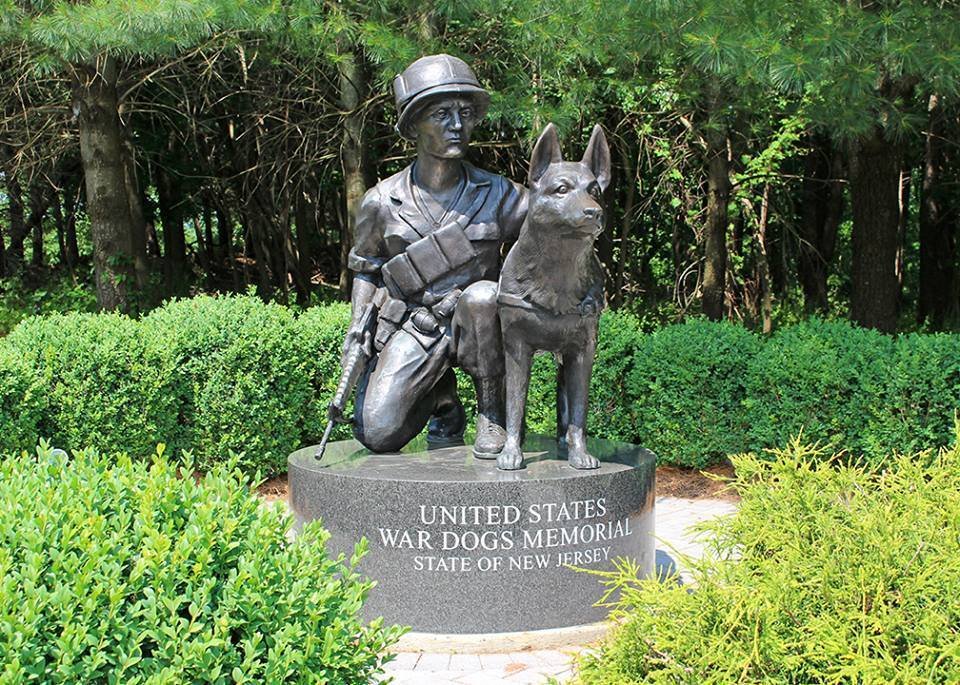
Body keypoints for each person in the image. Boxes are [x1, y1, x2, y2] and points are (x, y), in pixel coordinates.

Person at [340, 54, 527, 457]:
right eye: (442, 114)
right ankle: (443, 400)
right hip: (418, 325)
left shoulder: (502, 195)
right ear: (413, 125)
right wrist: (359, 328)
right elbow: (366, 270)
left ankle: (491, 413)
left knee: (481, 298)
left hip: (481, 325)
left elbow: (546, 236)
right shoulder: (380, 202)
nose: (457, 126)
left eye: (465, 113)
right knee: (377, 433)